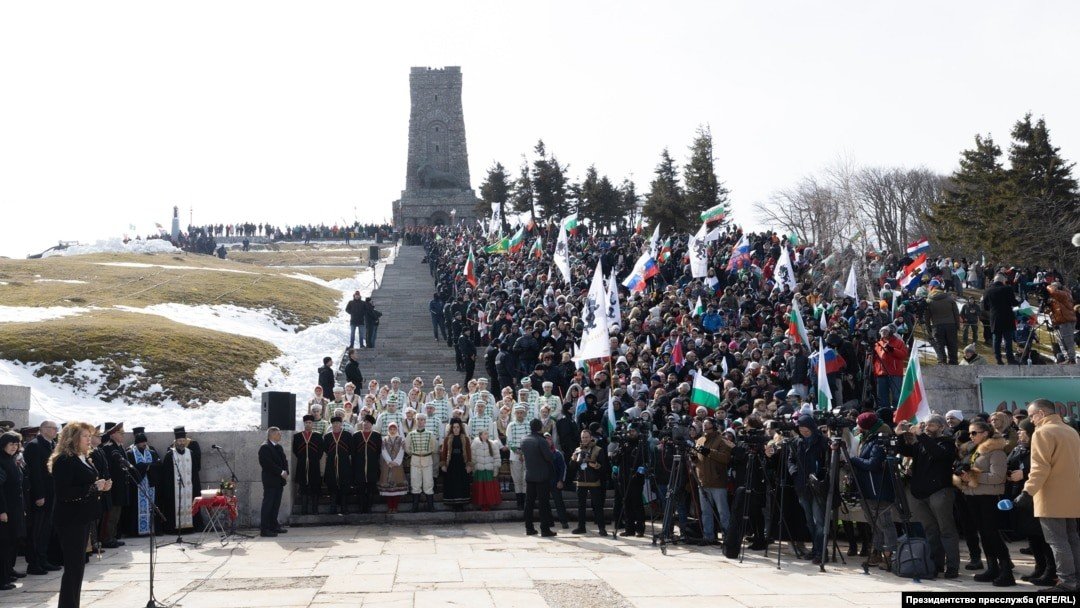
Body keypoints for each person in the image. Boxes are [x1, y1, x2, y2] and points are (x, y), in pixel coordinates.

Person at [1018, 398, 1080, 593]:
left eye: (1031, 416)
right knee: (1072, 539)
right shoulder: (1071, 431)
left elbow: (1039, 468)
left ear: (1041, 413)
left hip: (1050, 496)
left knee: (1058, 541)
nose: (1031, 420)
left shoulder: (1042, 432)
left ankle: (1067, 583)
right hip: (1072, 494)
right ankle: (1075, 579)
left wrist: (1027, 491)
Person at [50, 422, 110, 608]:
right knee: (73, 567)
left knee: (79, 566)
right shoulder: (64, 460)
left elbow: (86, 487)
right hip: (70, 519)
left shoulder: (83, 458)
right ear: (73, 438)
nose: (89, 439)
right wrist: (94, 487)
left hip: (83, 517)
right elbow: (65, 492)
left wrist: (101, 488)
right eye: (85, 436)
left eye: (89, 436)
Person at [897, 414, 960, 578]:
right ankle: (936, 564)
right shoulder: (921, 443)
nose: (925, 427)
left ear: (941, 427)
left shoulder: (947, 442)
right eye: (924, 425)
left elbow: (938, 454)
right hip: (920, 493)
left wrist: (921, 435)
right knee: (930, 530)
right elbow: (904, 450)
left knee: (946, 530)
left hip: (939, 492)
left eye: (930, 425)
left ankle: (952, 566)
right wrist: (900, 435)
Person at [958, 420, 1014, 586]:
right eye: (970, 433)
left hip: (989, 498)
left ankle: (1006, 572)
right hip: (973, 496)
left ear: (985, 433)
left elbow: (998, 477)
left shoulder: (996, 452)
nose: (971, 436)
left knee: (992, 534)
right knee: (984, 534)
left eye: (974, 433)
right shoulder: (975, 451)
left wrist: (973, 477)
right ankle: (992, 568)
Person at [1005, 417, 1057, 586]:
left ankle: (1051, 572)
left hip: (1038, 497)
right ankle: (1039, 568)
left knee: (1044, 537)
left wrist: (1024, 474)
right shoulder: (1020, 448)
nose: (1019, 434)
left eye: (1023, 431)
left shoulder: (1040, 447)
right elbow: (1010, 463)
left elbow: (1046, 470)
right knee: (1032, 536)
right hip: (1023, 498)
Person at [848, 413, 896, 571]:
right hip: (867, 489)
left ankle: (889, 556)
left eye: (858, 425)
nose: (856, 428)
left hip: (878, 490)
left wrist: (852, 459)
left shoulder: (878, 441)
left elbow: (872, 464)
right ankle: (877, 553)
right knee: (874, 525)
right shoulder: (866, 438)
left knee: (885, 524)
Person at [787, 414, 828, 564]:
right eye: (801, 430)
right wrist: (794, 472)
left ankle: (822, 551)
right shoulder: (797, 442)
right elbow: (790, 460)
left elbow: (827, 462)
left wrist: (821, 477)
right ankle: (815, 548)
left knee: (819, 521)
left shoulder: (823, 441)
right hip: (802, 486)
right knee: (809, 521)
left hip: (817, 486)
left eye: (806, 430)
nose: (804, 432)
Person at [22, 419, 60, 576]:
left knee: (46, 529)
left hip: (51, 494)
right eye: (53, 428)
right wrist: (39, 495)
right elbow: (35, 473)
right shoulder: (34, 446)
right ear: (43, 429)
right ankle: (34, 562)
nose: (55, 431)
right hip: (41, 495)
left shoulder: (51, 445)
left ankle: (43, 559)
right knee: (37, 530)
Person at [691, 417, 733, 545]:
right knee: (706, 512)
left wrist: (708, 452)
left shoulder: (722, 440)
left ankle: (728, 538)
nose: (704, 426)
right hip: (703, 481)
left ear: (714, 425)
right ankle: (708, 536)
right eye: (703, 424)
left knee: (723, 512)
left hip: (718, 482)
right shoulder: (700, 440)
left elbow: (725, 458)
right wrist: (692, 456)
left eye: (707, 423)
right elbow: (696, 457)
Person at [157, 427, 201, 534]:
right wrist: (167, 490)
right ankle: (174, 528)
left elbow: (195, 473)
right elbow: (166, 475)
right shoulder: (170, 455)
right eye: (179, 441)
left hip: (189, 489)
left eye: (183, 441)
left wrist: (196, 487)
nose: (181, 443)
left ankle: (189, 527)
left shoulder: (190, 453)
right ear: (175, 442)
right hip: (174, 490)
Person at [520, 418, 556, 537]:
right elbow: (548, 457)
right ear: (540, 427)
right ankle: (544, 529)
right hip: (542, 476)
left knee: (529, 503)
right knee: (543, 504)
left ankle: (529, 528)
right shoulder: (541, 440)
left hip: (530, 475)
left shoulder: (524, 440)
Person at [0, 431, 26, 591]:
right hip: (5, 509)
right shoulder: (1, 461)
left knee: (12, 542)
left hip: (15, 508)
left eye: (16, 445)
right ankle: (2, 578)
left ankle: (8, 571)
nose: (14, 447)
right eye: (11, 444)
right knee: (4, 543)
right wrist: (2, 510)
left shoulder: (10, 460)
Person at [570, 428, 606, 535]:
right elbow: (571, 468)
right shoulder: (577, 450)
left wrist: (595, 465)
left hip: (594, 482)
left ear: (591, 438)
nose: (584, 439)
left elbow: (604, 467)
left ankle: (601, 528)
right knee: (581, 506)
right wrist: (573, 459)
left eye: (586, 437)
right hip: (581, 482)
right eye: (582, 437)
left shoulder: (598, 449)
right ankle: (581, 527)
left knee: (598, 506)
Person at [124, 427, 159, 537]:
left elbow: (158, 464)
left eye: (145, 441)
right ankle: (136, 531)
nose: (144, 444)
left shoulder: (151, 452)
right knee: (136, 508)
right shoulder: (130, 453)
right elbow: (132, 468)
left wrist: (145, 467)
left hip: (150, 483)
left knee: (151, 507)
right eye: (141, 442)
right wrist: (146, 466)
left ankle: (151, 529)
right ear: (137, 443)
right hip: (138, 485)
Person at [98, 422, 128, 549]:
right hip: (112, 487)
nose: (123, 435)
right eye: (121, 433)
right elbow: (107, 469)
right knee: (110, 514)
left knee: (116, 514)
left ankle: (112, 536)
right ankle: (106, 538)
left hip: (120, 486)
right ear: (114, 434)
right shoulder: (108, 448)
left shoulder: (119, 447)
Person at [258, 427, 289, 537]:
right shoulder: (265, 447)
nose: (280, 435)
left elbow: (284, 460)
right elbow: (267, 464)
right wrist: (281, 472)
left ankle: (273, 525)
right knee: (268, 504)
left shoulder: (278, 447)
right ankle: (265, 529)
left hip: (279, 481)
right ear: (272, 435)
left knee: (275, 504)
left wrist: (286, 471)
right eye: (278, 434)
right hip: (270, 481)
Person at [982, 274, 1019, 364]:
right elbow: (1014, 303)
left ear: (994, 281)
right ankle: (1010, 359)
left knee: (996, 340)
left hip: (995, 318)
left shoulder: (987, 291)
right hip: (1007, 317)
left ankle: (998, 359)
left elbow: (984, 307)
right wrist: (1018, 301)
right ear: (1003, 281)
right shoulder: (1008, 289)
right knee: (1008, 340)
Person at [406, 414, 438, 512]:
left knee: (428, 483)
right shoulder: (411, 434)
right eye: (418, 420)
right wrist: (414, 454)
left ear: (425, 421)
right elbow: (407, 448)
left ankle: (431, 507)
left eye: (422, 420)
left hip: (427, 460)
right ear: (416, 421)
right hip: (415, 460)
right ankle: (414, 507)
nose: (420, 421)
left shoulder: (430, 434)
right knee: (415, 482)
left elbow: (434, 448)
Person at [924, 280, 961, 365]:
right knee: (952, 346)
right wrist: (957, 326)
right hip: (951, 325)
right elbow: (956, 313)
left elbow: (927, 317)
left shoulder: (929, 301)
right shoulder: (949, 299)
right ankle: (954, 363)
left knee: (939, 346)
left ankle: (942, 363)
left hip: (937, 326)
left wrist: (929, 329)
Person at [872, 326, 908, 409]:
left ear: (890, 333)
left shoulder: (898, 342)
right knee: (882, 396)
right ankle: (885, 413)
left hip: (894, 372)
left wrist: (892, 350)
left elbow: (904, 355)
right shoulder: (877, 344)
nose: (883, 333)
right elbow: (874, 359)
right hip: (881, 373)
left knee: (896, 395)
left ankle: (898, 412)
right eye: (881, 331)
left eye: (885, 331)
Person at [439, 419, 472, 511]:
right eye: (454, 427)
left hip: (462, 464)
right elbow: (444, 452)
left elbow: (468, 452)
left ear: (460, 428)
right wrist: (443, 464)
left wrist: (469, 464)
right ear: (451, 428)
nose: (456, 429)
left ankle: (461, 504)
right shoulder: (447, 439)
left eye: (457, 427)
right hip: (451, 464)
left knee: (462, 483)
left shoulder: (465, 439)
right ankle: (453, 504)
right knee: (452, 483)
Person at [323, 416, 353, 515]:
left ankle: (344, 507)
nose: (336, 425)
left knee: (344, 484)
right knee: (332, 484)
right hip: (331, 464)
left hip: (344, 464)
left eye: (338, 423)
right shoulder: (327, 436)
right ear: (331, 425)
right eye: (334, 423)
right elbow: (326, 450)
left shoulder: (347, 435)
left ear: (341, 424)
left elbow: (350, 449)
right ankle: (333, 507)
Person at [352, 416, 381, 514]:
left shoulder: (376, 436)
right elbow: (353, 451)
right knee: (360, 488)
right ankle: (361, 507)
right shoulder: (356, 435)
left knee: (371, 488)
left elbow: (378, 451)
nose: (366, 424)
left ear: (372, 424)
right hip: (359, 466)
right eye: (364, 422)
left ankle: (369, 507)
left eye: (368, 422)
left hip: (372, 466)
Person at [378, 422, 408, 513]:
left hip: (397, 466)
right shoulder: (384, 439)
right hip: (387, 465)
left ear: (397, 430)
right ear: (388, 430)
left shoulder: (401, 439)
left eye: (394, 429)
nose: (392, 430)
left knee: (397, 487)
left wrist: (396, 462)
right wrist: (388, 461)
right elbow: (383, 450)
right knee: (388, 488)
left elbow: (402, 451)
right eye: (390, 429)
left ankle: (395, 507)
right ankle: (390, 507)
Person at [470, 429, 502, 511]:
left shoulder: (493, 444)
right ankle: (481, 504)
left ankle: (489, 504)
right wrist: (473, 468)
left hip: (489, 470)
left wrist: (495, 469)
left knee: (489, 488)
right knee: (481, 489)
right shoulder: (475, 445)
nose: (486, 435)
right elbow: (473, 458)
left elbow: (496, 457)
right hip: (479, 471)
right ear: (480, 435)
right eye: (485, 434)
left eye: (487, 434)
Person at [505, 405, 530, 510]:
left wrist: (524, 453)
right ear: (515, 414)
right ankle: (519, 502)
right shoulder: (511, 425)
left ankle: (525, 502)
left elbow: (529, 440)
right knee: (517, 479)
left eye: (521, 413)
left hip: (527, 455)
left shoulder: (528, 424)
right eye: (518, 413)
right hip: (515, 455)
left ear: (524, 413)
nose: (520, 415)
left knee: (525, 479)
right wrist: (518, 452)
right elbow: (509, 442)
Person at [1046, 283, 1077, 364]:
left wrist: (1048, 286)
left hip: (1066, 320)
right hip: (1060, 321)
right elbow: (1051, 310)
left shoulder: (1065, 294)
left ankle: (1071, 359)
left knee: (1068, 341)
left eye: (1054, 287)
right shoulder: (1058, 297)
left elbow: (1053, 292)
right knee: (1061, 341)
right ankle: (1067, 358)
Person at [546, 432, 570, 529]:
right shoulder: (541, 453)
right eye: (545, 439)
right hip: (544, 482)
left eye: (549, 439)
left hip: (555, 481)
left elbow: (563, 468)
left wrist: (561, 480)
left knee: (559, 502)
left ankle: (564, 521)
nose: (547, 441)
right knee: (545, 503)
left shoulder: (557, 453)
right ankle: (549, 521)